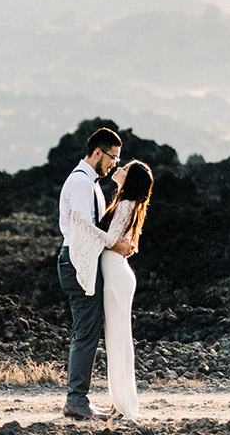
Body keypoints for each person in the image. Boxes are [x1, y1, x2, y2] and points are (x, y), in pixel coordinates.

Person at [69, 159, 154, 423]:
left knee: (117, 342)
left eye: (125, 169)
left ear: (131, 180)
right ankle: (122, 404)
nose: (119, 169)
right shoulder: (125, 203)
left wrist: (80, 223)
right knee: (118, 341)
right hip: (118, 274)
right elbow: (118, 241)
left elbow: (110, 240)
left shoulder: (127, 204)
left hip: (117, 276)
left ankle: (123, 406)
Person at [57, 127, 128, 421]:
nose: (114, 163)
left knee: (88, 330)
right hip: (77, 262)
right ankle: (76, 401)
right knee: (86, 332)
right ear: (97, 152)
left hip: (83, 261)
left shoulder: (92, 184)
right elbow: (85, 230)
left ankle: (78, 399)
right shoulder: (80, 183)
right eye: (112, 156)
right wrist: (115, 242)